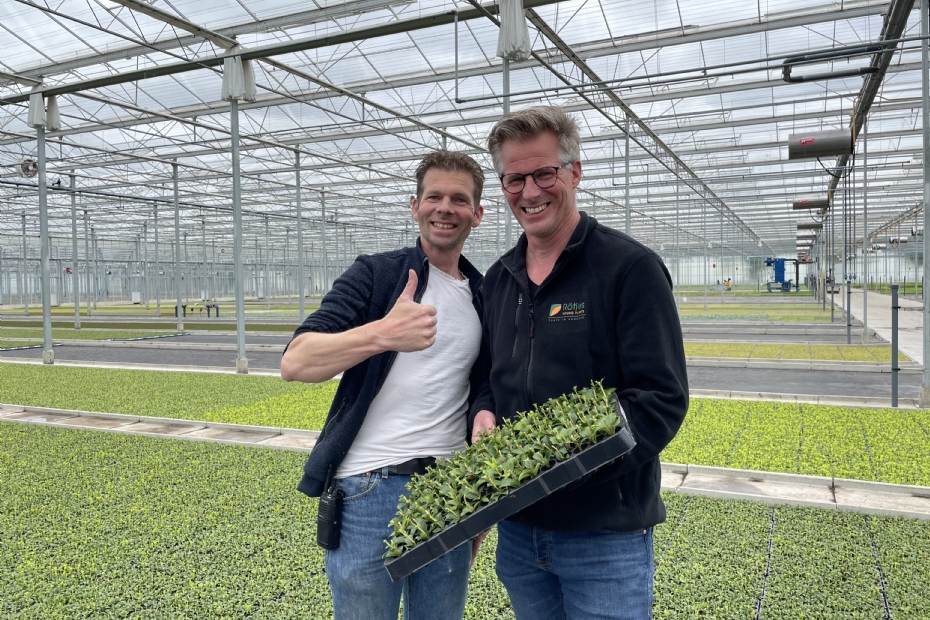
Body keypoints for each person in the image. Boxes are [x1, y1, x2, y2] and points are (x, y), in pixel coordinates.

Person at [470, 106, 689, 619]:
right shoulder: (499, 280)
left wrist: (556, 465)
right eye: (514, 179)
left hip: (603, 535)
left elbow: (660, 400)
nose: (530, 192)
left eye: (544, 173)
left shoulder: (629, 269)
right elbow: (488, 377)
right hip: (519, 531)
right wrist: (482, 412)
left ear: (574, 171)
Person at [281, 150, 488, 620]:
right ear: (414, 205)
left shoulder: (484, 292)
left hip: (449, 490)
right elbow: (296, 361)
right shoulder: (377, 275)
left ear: (477, 214)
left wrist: (478, 496)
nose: (445, 208)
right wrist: (381, 334)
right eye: (434, 196)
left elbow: (482, 393)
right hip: (370, 488)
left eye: (459, 199)